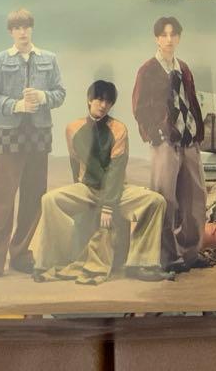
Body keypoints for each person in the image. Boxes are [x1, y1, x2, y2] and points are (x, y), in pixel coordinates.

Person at [31, 81, 171, 285]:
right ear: (89, 100)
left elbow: (116, 170)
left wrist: (107, 206)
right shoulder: (73, 128)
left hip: (116, 190)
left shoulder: (119, 129)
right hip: (87, 189)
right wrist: (79, 193)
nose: (103, 105)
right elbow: (75, 162)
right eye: (99, 99)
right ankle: (50, 262)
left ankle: (141, 263)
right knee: (49, 200)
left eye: (108, 101)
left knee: (156, 201)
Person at [0, 9, 66, 277]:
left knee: (33, 197)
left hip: (39, 134)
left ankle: (21, 254)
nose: (22, 32)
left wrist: (43, 97)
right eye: (17, 27)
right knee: (2, 198)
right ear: (10, 32)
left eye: (26, 26)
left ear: (31, 29)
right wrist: (16, 105)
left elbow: (60, 93)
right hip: (8, 134)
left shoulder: (49, 58)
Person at [131, 17, 207, 272]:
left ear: (179, 37)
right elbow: (139, 107)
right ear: (157, 38)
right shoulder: (148, 69)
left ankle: (190, 254)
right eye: (164, 35)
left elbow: (191, 100)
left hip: (188, 141)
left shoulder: (183, 68)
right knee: (165, 200)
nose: (169, 39)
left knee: (195, 199)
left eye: (173, 34)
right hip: (165, 143)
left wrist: (197, 133)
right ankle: (169, 256)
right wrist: (156, 135)